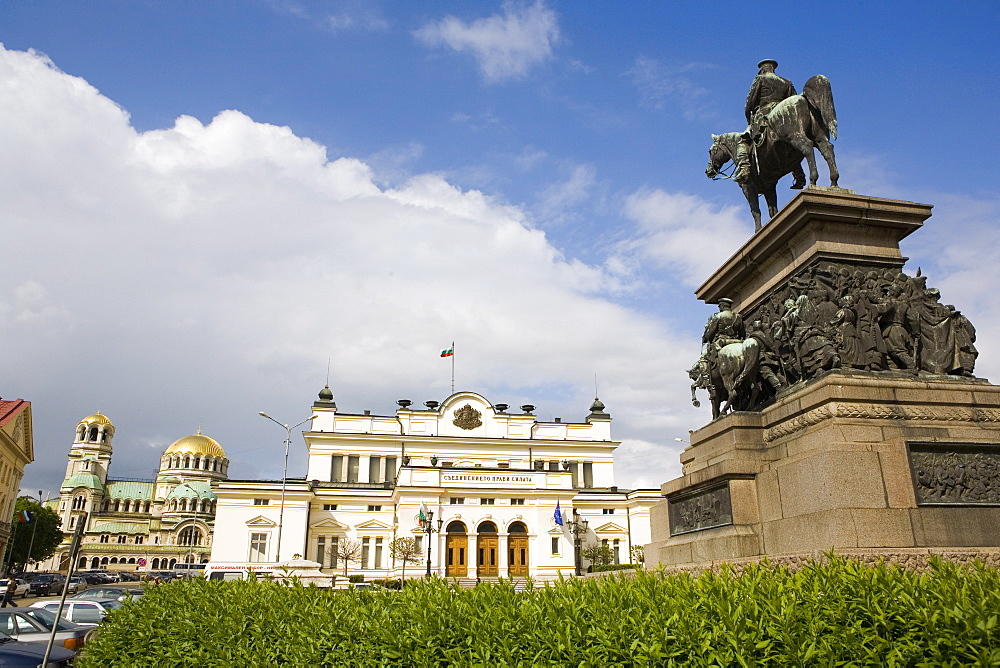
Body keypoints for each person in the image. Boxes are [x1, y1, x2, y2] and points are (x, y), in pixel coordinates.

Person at [734, 59, 806, 189]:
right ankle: (799, 175)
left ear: (762, 68)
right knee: (791, 143)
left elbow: (750, 102)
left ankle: (744, 168)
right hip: (784, 116)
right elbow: (793, 102)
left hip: (764, 113)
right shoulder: (786, 82)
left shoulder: (760, 79)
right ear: (773, 68)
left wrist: (749, 119)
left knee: (742, 141)